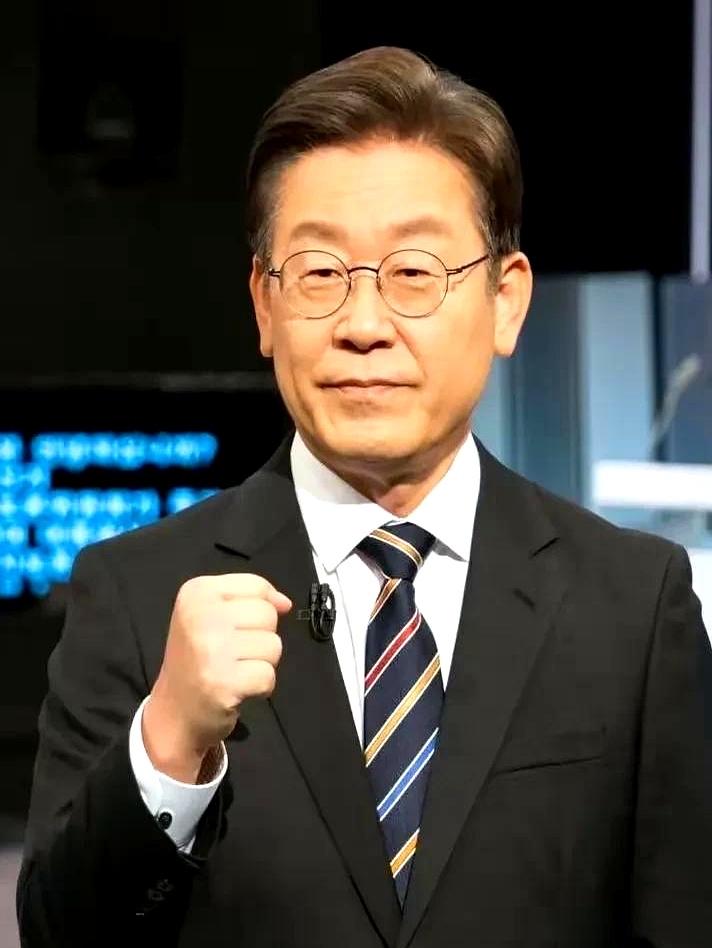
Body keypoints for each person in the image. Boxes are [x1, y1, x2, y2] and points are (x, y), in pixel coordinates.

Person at [17, 46, 712, 948]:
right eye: (319, 273)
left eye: (414, 272)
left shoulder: (633, 604)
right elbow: (59, 933)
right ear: (264, 306)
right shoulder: (135, 596)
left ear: (506, 301)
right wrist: (170, 744)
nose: (364, 324)